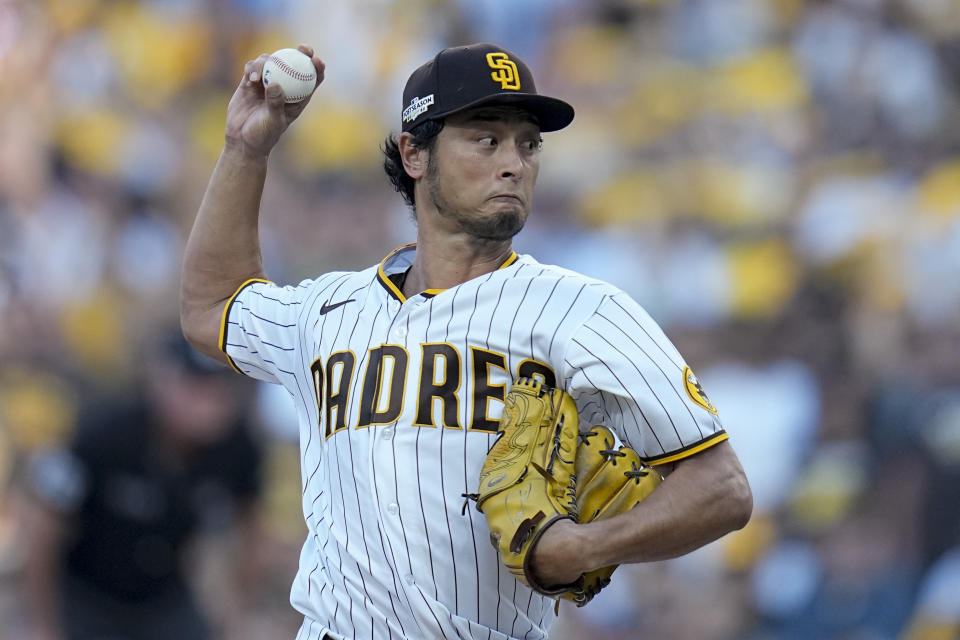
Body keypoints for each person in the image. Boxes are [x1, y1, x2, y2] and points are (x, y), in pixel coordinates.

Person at [180, 42, 753, 640]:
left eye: (528, 144)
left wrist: (584, 545)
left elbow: (722, 489)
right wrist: (246, 149)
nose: (515, 163)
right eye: (486, 139)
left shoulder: (582, 312)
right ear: (414, 153)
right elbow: (211, 308)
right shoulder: (330, 309)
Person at [19, 332, 265, 640]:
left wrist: (236, 610)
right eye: (195, 385)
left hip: (163, 597)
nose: (207, 402)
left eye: (218, 387)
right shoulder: (105, 433)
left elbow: (252, 528)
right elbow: (43, 524)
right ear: (161, 380)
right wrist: (42, 623)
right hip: (86, 595)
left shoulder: (238, 449)